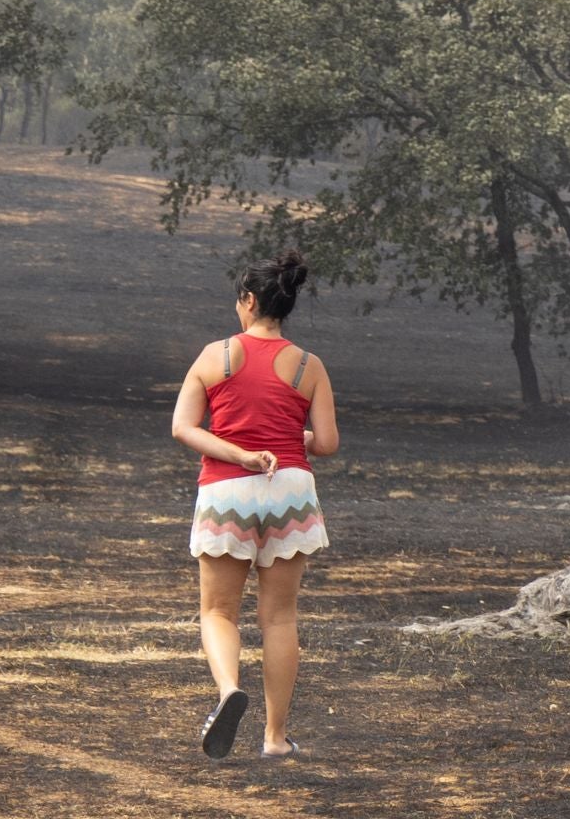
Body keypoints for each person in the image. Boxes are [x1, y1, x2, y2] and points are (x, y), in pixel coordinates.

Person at [172, 249, 338, 760]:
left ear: (247, 300)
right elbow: (327, 442)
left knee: (219, 610)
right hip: (290, 488)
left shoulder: (214, 356)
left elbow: (184, 428)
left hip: (228, 489)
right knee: (280, 618)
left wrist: (242, 453)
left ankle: (227, 691)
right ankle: (275, 738)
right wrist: (291, 438)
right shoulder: (309, 365)